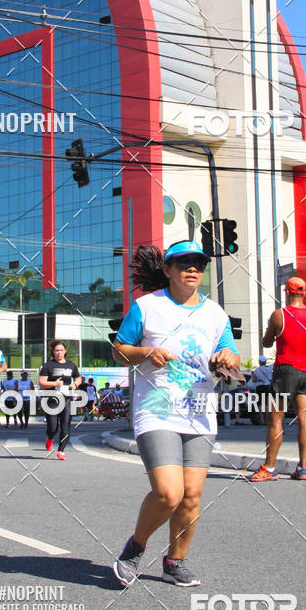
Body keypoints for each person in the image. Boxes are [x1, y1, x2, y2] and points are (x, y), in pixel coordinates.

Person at [112, 240, 240, 588]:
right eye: (183, 263)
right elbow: (119, 352)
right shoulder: (146, 307)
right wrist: (144, 352)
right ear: (167, 269)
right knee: (169, 493)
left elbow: (231, 352)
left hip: (199, 410)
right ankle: (135, 548)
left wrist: (229, 359)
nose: (192, 269)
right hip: (156, 409)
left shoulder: (215, 313)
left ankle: (175, 561)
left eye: (198, 263)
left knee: (192, 495)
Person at [251, 276, 306, 482]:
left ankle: (270, 468)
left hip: (284, 371)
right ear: (304, 292)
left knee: (275, 419)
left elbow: (266, 343)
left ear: (287, 292)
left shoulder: (279, 314)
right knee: (305, 419)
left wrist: (272, 334)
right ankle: (302, 468)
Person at [39, 340, 83, 460]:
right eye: (56, 350)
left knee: (65, 426)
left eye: (61, 350)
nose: (59, 353)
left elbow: (78, 378)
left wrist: (75, 384)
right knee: (53, 427)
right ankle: (50, 437)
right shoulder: (48, 365)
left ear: (65, 351)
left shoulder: (71, 365)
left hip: (67, 399)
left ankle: (61, 451)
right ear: (53, 352)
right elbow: (41, 382)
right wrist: (55, 383)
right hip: (51, 400)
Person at [250, 354, 273, 425]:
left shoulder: (257, 370)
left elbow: (254, 380)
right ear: (265, 361)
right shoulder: (270, 368)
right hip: (268, 386)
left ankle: (262, 419)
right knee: (268, 403)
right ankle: (268, 419)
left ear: (259, 362)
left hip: (260, 387)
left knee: (260, 404)